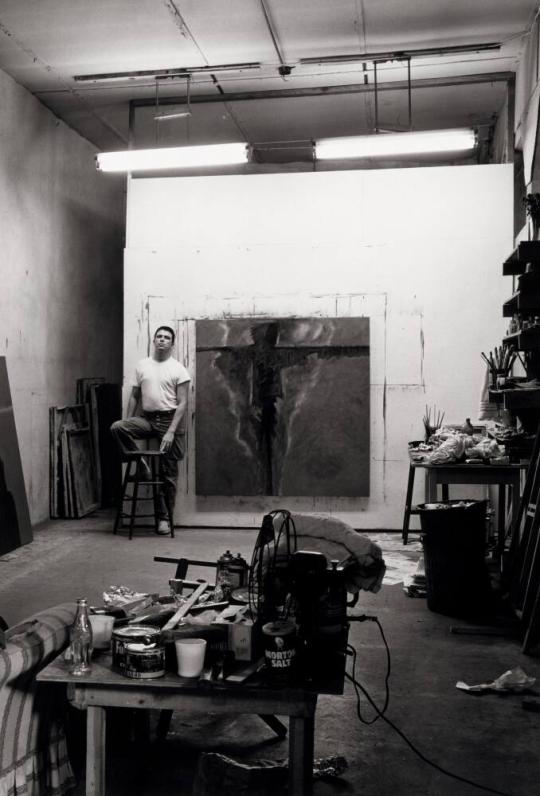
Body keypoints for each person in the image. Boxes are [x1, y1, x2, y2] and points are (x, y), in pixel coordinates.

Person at [110, 326, 190, 534]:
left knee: (168, 473)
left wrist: (172, 430)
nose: (162, 340)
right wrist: (129, 420)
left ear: (172, 344)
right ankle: (141, 463)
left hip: (169, 420)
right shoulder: (142, 365)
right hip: (147, 419)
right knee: (118, 427)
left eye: (167, 338)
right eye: (159, 337)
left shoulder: (178, 369)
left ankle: (164, 520)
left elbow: (183, 404)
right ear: (153, 341)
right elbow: (135, 396)